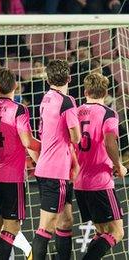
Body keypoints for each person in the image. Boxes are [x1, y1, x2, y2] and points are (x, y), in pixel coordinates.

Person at [0, 68, 41, 260]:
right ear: (15, 86)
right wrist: (48, 147)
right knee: (12, 227)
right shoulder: (19, 109)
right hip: (12, 178)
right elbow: (27, 141)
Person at [32, 60, 81, 260]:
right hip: (55, 171)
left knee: (65, 221)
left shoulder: (46, 99)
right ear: (69, 78)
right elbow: (76, 137)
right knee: (46, 226)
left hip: (48, 166)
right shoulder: (67, 101)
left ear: (48, 78)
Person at [74, 73, 126, 259]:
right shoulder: (108, 113)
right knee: (117, 233)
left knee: (101, 232)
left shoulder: (75, 112)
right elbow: (110, 142)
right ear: (105, 92)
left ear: (85, 91)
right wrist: (118, 165)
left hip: (79, 183)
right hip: (100, 182)